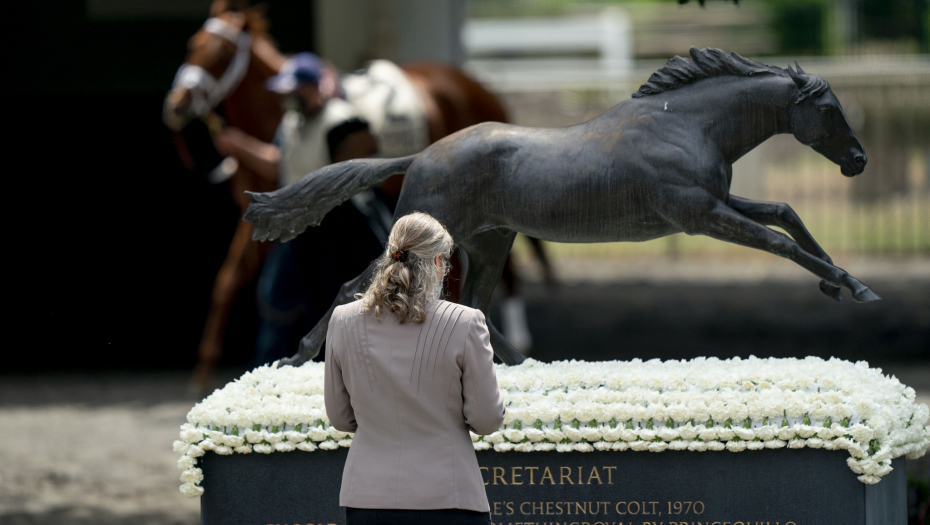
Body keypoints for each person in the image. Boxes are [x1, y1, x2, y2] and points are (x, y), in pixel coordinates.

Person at [212, 52, 394, 365]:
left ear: (313, 88)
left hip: (336, 228)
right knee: (276, 300)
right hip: (299, 226)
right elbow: (280, 165)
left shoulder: (341, 119)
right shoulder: (293, 120)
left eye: (294, 92)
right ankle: (269, 373)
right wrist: (238, 144)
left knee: (330, 302)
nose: (288, 100)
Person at [324, 212, 506, 525]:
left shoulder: (342, 320)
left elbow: (340, 417)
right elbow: (486, 419)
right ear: (438, 262)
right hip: (449, 496)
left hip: (369, 498)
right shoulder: (466, 323)